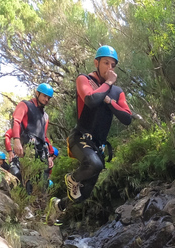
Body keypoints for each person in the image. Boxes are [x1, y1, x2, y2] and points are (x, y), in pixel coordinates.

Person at [45, 45, 132, 225]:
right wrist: (107, 84)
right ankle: (72, 178)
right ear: (96, 62)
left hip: (98, 145)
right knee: (94, 164)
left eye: (113, 65)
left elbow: (127, 118)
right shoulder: (84, 79)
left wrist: (110, 101)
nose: (109, 68)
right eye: (106, 63)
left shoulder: (118, 92)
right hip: (80, 137)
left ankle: (58, 206)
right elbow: (91, 100)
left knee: (83, 195)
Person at [9, 83, 55, 163]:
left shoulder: (45, 116)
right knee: (20, 173)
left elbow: (44, 136)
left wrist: (49, 156)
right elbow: (16, 121)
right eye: (44, 96)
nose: (46, 99)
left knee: (42, 174)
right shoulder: (25, 105)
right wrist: (16, 140)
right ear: (37, 93)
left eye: (48, 98)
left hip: (40, 150)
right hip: (26, 146)